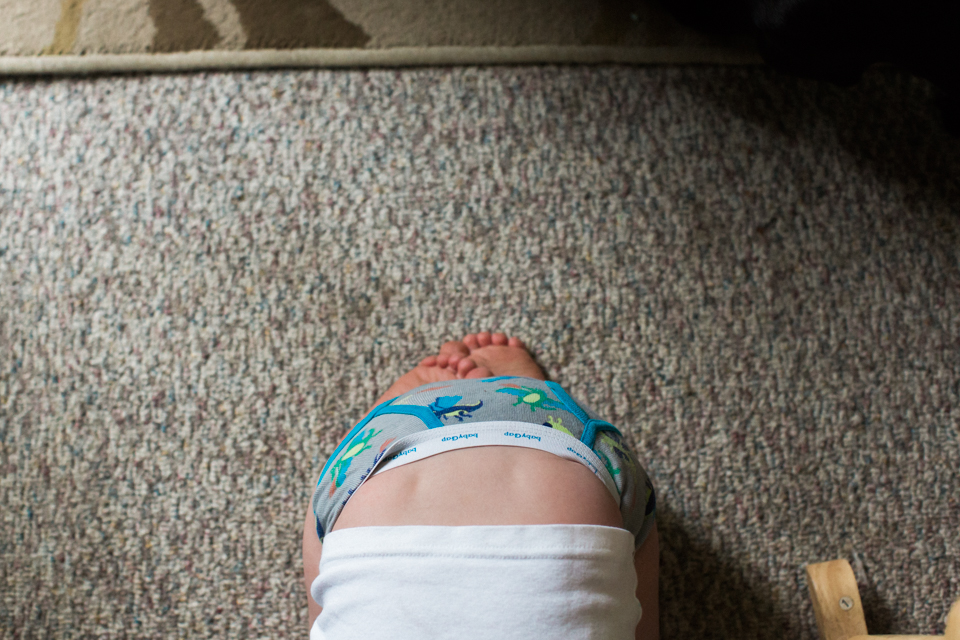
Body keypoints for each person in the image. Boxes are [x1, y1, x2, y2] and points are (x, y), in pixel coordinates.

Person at [302, 332, 659, 639]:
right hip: (381, 460)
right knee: (333, 528)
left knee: (631, 552)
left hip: (564, 461)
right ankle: (404, 410)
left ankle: (509, 396)